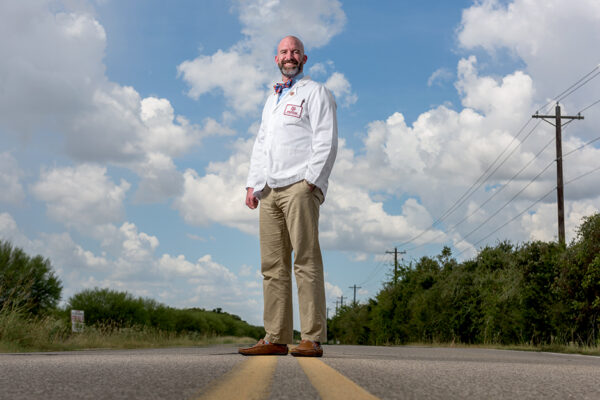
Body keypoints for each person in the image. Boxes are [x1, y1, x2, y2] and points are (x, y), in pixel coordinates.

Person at [239, 35, 338, 357]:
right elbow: (262, 144)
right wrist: (253, 185)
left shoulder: (317, 92)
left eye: (295, 51)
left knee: (306, 261)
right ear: (276, 58)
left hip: (299, 185)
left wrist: (312, 181)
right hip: (269, 189)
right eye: (284, 52)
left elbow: (326, 138)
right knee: (272, 266)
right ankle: (276, 337)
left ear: (304, 59)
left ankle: (311, 337)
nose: (289, 56)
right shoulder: (272, 100)